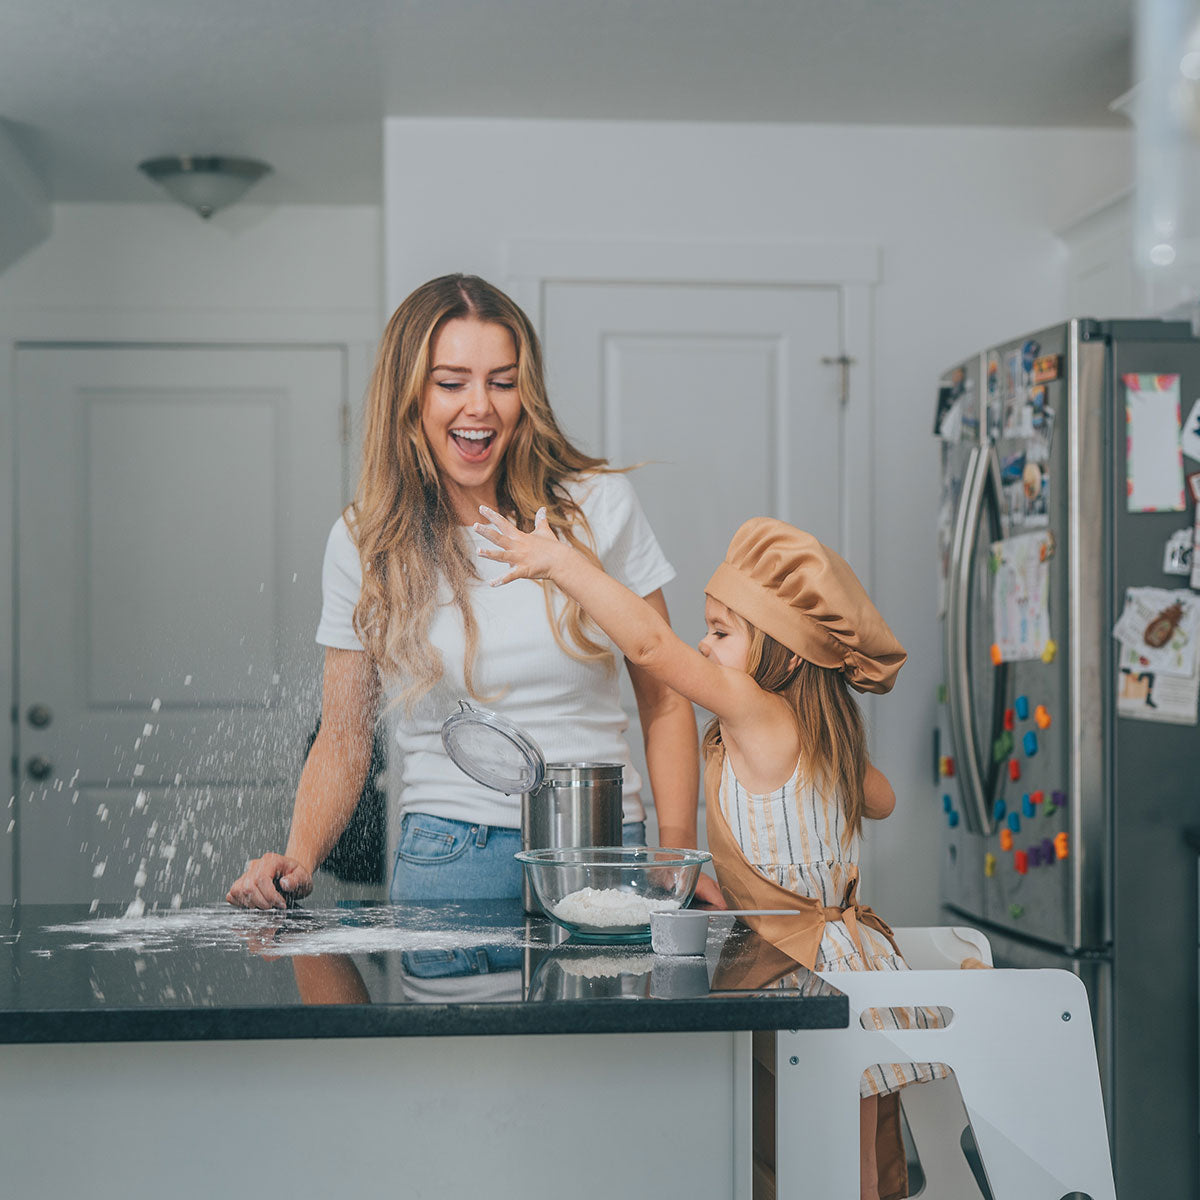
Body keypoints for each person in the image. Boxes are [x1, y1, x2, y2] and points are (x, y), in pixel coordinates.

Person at [473, 509, 946, 1200]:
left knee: (834, 1168)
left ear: (781, 652)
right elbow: (882, 801)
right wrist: (748, 881)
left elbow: (652, 646)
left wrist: (561, 565)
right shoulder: (821, 728)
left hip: (812, 969)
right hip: (840, 955)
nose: (705, 643)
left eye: (722, 632)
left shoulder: (756, 711)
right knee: (851, 1157)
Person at [226, 273, 721, 910]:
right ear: (409, 398)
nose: (480, 406)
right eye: (451, 382)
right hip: (449, 856)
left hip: (603, 850)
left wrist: (675, 850)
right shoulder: (365, 541)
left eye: (503, 382)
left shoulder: (598, 506)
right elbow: (344, 736)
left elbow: (666, 701)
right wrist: (297, 858)